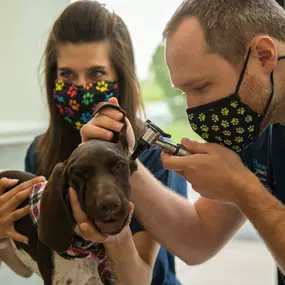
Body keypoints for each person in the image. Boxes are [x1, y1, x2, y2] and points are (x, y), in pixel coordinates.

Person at [76, 1, 285, 284]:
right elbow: (197, 239)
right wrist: (123, 160)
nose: (193, 109)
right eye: (184, 92)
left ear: (263, 56)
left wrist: (242, 188)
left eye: (201, 87)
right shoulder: (255, 125)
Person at [0, 1, 187, 285]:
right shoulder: (40, 151)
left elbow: (138, 280)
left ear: (119, 78)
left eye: (96, 74)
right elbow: (29, 267)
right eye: (67, 75)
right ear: (54, 79)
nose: (81, 87)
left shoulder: (152, 157)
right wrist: (3, 238)